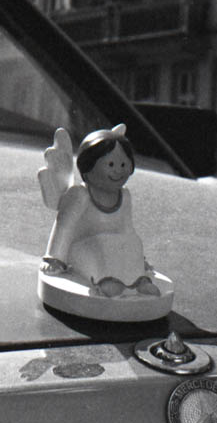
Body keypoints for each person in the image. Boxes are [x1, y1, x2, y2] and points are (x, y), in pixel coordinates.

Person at [40, 124, 160, 297]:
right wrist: (55, 259)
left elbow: (127, 228)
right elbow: (64, 227)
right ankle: (106, 283)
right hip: (83, 247)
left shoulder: (124, 196)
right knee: (101, 246)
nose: (118, 170)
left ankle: (140, 281)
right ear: (88, 169)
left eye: (123, 164)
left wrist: (138, 259)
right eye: (111, 164)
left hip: (113, 248)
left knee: (133, 241)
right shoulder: (80, 195)